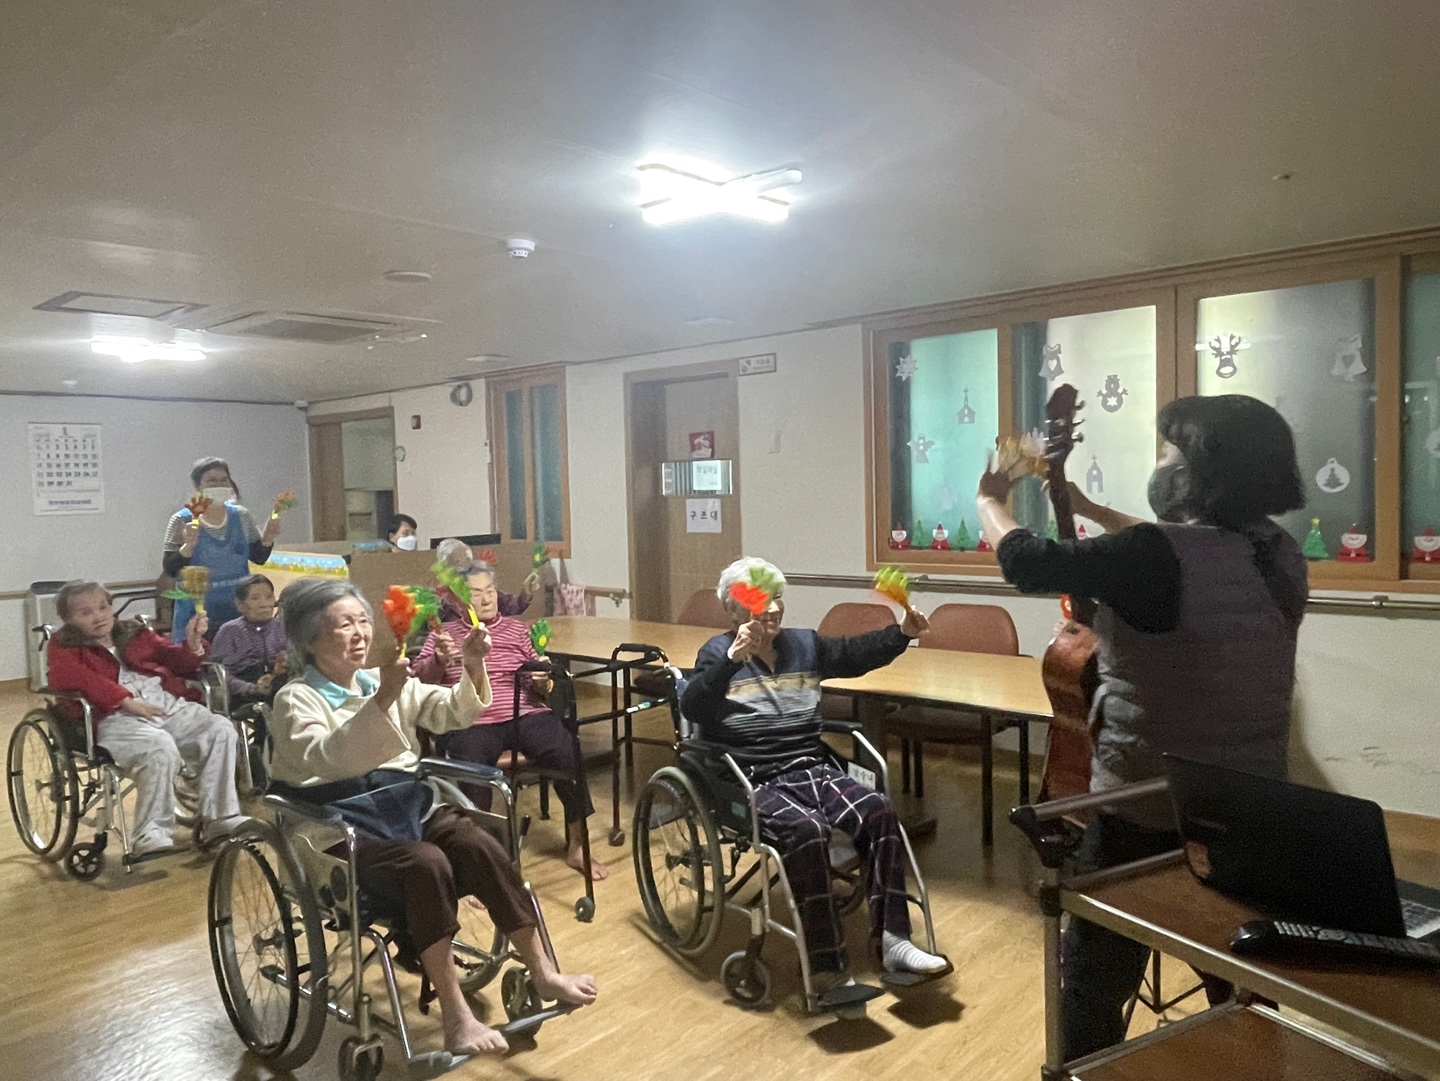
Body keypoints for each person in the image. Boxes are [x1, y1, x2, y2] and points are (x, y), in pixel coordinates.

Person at [975, 393, 1307, 1060]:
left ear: (1197, 470)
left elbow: (1027, 560)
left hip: (1144, 808)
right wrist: (1091, 509)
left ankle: (1085, 1069)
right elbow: (1181, 550)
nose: (1160, 462)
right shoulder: (1278, 552)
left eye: (1168, 450)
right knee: (1240, 972)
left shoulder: (1152, 553)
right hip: (1250, 807)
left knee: (1094, 984)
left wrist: (990, 500)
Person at [267, 578, 597, 1056]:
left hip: (400, 807)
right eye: (344, 625)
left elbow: (451, 713)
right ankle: (456, 1015)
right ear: (310, 640)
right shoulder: (296, 699)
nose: (360, 633)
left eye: (363, 621)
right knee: (426, 862)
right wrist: (383, 700)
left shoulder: (380, 680)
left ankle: (543, 971)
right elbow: (327, 758)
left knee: (478, 841)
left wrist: (473, 665)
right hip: (333, 827)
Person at [680, 557, 948, 991]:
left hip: (811, 766)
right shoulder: (716, 653)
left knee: (878, 811)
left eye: (777, 597)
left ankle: (895, 939)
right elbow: (693, 706)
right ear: (732, 609)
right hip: (753, 777)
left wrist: (901, 634)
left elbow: (853, 653)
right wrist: (731, 660)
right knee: (806, 831)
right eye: (759, 600)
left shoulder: (804, 644)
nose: (772, 608)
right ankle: (827, 966)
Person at [412, 560, 606, 880]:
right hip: (470, 719)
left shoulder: (517, 630)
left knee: (566, 751)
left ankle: (577, 845)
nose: (487, 598)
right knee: (473, 771)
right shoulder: (443, 635)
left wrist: (542, 681)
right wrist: (438, 660)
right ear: (459, 599)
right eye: (477, 593)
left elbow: (538, 683)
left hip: (523, 712)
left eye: (490, 591)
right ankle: (482, 865)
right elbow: (421, 683)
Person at [45, 580, 245, 857]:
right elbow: (75, 677)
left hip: (165, 706)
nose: (99, 616)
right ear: (68, 619)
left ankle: (221, 819)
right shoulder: (64, 644)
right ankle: (150, 833)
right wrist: (124, 700)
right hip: (115, 716)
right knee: (159, 747)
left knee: (220, 729)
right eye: (85, 612)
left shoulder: (133, 632)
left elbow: (175, 660)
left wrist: (192, 643)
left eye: (103, 607)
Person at [163, 456, 283, 640]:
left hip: (238, 613)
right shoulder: (182, 520)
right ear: (197, 485)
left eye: (223, 480)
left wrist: (268, 538)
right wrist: (188, 546)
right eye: (211, 481)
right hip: (197, 617)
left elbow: (258, 557)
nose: (218, 485)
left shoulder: (241, 516)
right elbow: (170, 569)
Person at [210, 574, 290, 704]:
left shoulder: (283, 627)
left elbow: (296, 662)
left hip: (281, 686)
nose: (264, 604)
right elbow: (217, 673)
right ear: (240, 605)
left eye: (269, 597)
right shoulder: (230, 630)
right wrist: (249, 688)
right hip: (243, 693)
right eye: (255, 598)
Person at [436, 537, 540, 617]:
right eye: (458, 563)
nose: (465, 569)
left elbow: (514, 607)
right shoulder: (441, 602)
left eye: (467, 562)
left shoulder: (484, 590)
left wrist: (526, 592)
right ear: (444, 568)